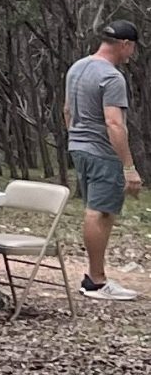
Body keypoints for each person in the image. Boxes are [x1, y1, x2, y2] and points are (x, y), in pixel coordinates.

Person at [65, 18, 141, 301]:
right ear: (125, 44)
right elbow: (114, 123)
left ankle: (95, 276)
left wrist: (75, 137)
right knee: (100, 211)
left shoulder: (77, 68)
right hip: (101, 150)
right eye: (131, 48)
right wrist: (128, 167)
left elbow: (66, 110)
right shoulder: (111, 77)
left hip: (79, 146)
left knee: (94, 207)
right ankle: (96, 279)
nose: (130, 54)